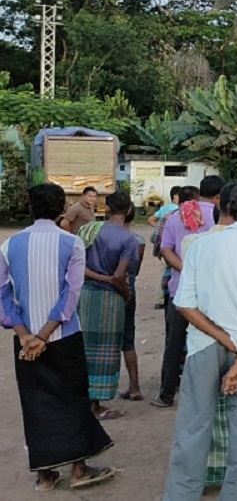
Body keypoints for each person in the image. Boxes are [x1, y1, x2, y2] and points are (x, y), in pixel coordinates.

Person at [162, 184, 237, 500]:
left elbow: (184, 304)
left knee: (193, 428)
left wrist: (222, 338)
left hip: (205, 345)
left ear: (226, 208)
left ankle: (181, 495)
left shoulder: (200, 246)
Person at [1, 183, 117, 492]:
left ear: (29, 205)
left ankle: (45, 475)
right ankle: (79, 469)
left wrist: (26, 335)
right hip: (64, 336)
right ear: (61, 209)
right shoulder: (72, 243)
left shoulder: (9, 245)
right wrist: (45, 334)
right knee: (73, 397)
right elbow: (70, 294)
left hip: (25, 340)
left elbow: (2, 293)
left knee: (36, 401)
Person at [153, 175, 222, 409]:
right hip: (212, 291)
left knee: (174, 342)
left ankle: (166, 393)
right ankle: (210, 394)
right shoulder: (220, 217)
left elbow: (165, 249)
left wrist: (185, 269)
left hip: (179, 288)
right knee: (212, 339)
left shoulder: (175, 215)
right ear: (218, 196)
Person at [79, 191, 138, 421]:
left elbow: (79, 267)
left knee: (86, 348)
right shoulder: (128, 239)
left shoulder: (88, 230)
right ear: (130, 210)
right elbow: (119, 277)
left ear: (107, 208)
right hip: (111, 300)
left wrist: (98, 278)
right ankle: (97, 404)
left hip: (86, 296)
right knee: (106, 352)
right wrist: (125, 295)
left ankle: (87, 400)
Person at [118, 206, 146, 401]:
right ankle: (134, 386)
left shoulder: (102, 235)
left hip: (109, 288)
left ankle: (98, 391)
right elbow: (136, 269)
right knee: (128, 340)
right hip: (130, 289)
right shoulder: (138, 240)